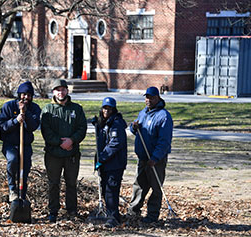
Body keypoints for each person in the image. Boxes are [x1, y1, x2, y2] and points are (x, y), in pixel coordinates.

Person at [40, 79, 87, 223]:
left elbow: (82, 128)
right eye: (57, 90)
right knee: (53, 183)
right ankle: (53, 211)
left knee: (71, 183)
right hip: (53, 154)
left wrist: (71, 141)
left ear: (67, 91)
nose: (61, 92)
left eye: (63, 89)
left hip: (72, 154)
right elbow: (45, 131)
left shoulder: (76, 109)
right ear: (53, 92)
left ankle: (72, 210)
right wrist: (60, 143)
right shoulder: (48, 109)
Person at [128, 86, 173, 223]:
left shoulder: (164, 116)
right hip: (142, 157)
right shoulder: (143, 113)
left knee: (155, 187)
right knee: (139, 185)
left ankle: (152, 215)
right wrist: (133, 127)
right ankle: (133, 211)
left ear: (157, 98)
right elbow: (137, 130)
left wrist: (155, 157)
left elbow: (164, 141)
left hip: (156, 160)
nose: (148, 100)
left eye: (151, 97)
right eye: (147, 97)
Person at [0, 81, 41, 201]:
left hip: (25, 145)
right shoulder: (8, 106)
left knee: (25, 168)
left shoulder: (35, 108)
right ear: (19, 94)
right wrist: (16, 120)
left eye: (29, 95)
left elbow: (33, 126)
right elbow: (2, 126)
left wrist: (25, 112)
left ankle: (22, 193)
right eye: (23, 94)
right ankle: (12, 190)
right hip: (10, 144)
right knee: (12, 160)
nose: (26, 97)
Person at [93, 97, 128, 228]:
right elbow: (101, 140)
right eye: (104, 108)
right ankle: (112, 214)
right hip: (106, 163)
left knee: (111, 190)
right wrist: (97, 126)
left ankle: (113, 218)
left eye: (109, 108)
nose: (106, 111)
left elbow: (115, 144)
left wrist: (102, 157)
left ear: (113, 110)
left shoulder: (117, 124)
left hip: (115, 164)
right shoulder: (105, 123)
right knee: (105, 189)